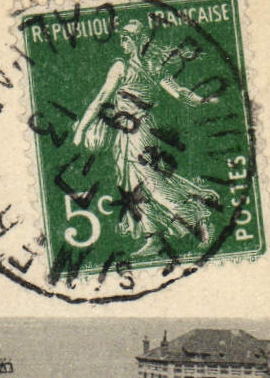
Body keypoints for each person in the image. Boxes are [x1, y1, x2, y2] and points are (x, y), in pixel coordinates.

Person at [70, 17, 222, 257]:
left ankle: (199, 219)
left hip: (140, 131)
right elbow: (103, 98)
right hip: (124, 132)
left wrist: (202, 101)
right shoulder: (131, 66)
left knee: (153, 183)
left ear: (140, 40)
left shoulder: (142, 67)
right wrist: (81, 129)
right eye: (122, 38)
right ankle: (154, 237)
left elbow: (177, 92)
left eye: (128, 38)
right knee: (130, 184)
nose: (123, 42)